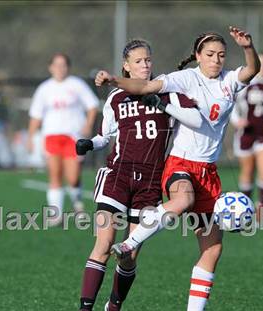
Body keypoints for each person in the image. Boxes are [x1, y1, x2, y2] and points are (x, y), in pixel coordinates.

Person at [95, 26, 260, 310]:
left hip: (208, 172)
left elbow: (252, 70)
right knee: (183, 199)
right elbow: (145, 87)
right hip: (180, 163)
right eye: (209, 54)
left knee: (213, 249)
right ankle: (129, 244)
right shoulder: (185, 78)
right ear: (198, 56)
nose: (216, 60)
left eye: (221, 55)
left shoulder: (229, 81)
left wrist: (247, 47)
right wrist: (115, 81)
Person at [76, 39, 199, 311]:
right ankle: (85, 309)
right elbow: (105, 136)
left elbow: (195, 117)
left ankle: (114, 306)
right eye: (139, 61)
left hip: (150, 183)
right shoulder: (116, 97)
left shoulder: (168, 93)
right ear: (126, 65)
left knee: (128, 254)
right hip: (117, 176)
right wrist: (89, 143)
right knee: (104, 243)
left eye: (148, 60)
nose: (145, 65)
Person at [27, 53, 99, 226]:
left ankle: (77, 204)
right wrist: (30, 136)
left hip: (73, 137)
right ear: (50, 67)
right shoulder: (44, 89)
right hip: (52, 136)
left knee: (73, 177)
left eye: (63, 65)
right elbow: (36, 116)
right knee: (55, 174)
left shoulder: (76, 85)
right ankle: (56, 214)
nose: (60, 68)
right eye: (56, 65)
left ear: (68, 67)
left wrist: (88, 125)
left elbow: (92, 106)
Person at [230, 52, 263, 216]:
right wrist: (237, 121)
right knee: (247, 171)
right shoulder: (246, 83)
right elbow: (230, 103)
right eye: (260, 63)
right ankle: (246, 207)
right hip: (247, 134)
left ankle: (262, 206)